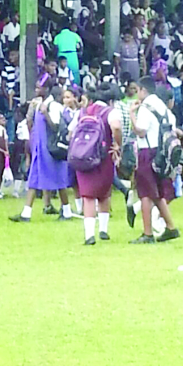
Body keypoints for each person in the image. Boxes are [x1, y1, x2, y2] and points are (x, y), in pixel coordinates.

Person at [128, 76, 180, 244]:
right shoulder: (161, 105)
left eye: (137, 91)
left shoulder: (144, 108)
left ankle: (147, 233)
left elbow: (141, 131)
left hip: (147, 151)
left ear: (143, 90)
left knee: (145, 194)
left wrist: (132, 115)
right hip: (161, 152)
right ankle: (171, 227)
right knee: (157, 193)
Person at [10, 85, 72, 222]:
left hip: (51, 150)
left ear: (46, 90)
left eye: (39, 87)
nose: (36, 90)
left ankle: (66, 211)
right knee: (34, 179)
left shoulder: (53, 106)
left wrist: (45, 114)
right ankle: (26, 213)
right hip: (40, 148)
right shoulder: (40, 104)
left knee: (58, 180)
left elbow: (55, 127)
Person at [70, 83, 122, 245]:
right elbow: (116, 127)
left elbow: (70, 132)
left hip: (83, 156)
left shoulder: (82, 112)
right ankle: (103, 230)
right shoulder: (110, 112)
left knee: (88, 196)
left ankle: (89, 235)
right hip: (103, 157)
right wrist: (118, 144)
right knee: (104, 193)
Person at [53, 20, 83, 85]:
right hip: (73, 54)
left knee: (61, 72)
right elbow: (81, 45)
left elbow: (55, 48)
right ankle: (76, 86)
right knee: (74, 72)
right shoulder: (74, 35)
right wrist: (80, 53)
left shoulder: (57, 37)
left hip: (62, 54)